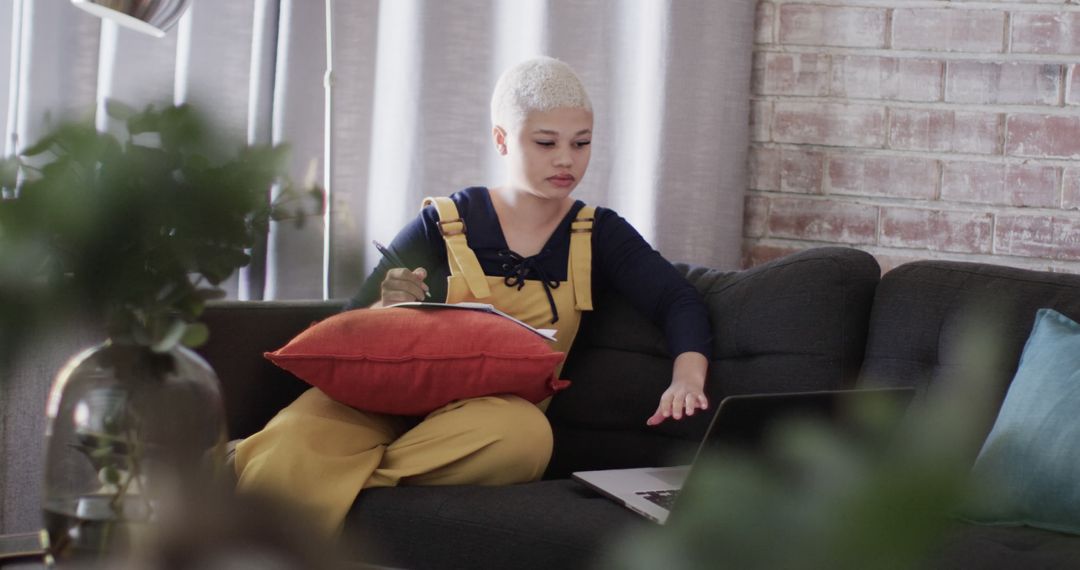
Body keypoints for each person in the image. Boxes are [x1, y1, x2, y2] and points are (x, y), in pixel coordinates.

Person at [234, 56, 712, 536]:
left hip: (484, 420)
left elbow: (678, 300)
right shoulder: (443, 221)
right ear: (502, 139)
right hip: (379, 402)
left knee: (524, 439)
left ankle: (318, 481)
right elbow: (353, 321)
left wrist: (686, 378)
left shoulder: (598, 232)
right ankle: (308, 477)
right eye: (546, 142)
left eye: (581, 142)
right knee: (296, 435)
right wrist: (386, 306)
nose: (567, 159)